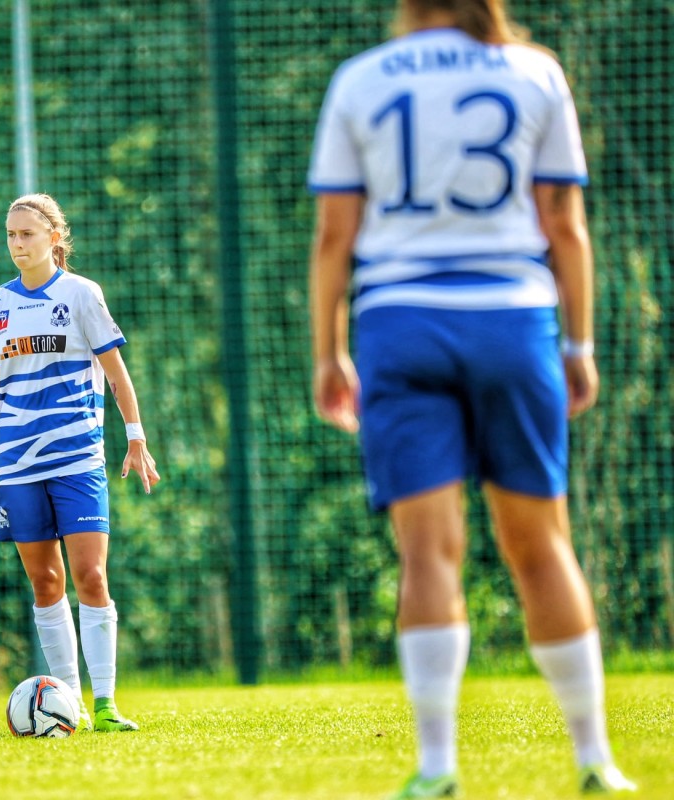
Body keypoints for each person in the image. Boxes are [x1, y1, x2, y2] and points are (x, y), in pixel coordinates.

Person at [307, 1, 637, 796]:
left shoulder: (361, 79)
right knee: (542, 544)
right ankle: (596, 762)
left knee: (428, 551)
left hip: (400, 323)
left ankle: (436, 769)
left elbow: (334, 236)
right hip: (512, 320)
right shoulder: (534, 71)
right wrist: (579, 346)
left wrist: (328, 352)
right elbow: (564, 223)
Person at [0, 192, 160, 733]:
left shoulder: (82, 294)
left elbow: (116, 373)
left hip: (78, 458)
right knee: (45, 582)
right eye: (11, 235)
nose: (18, 244)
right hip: (18, 464)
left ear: (54, 238)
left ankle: (105, 703)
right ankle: (68, 704)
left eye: (28, 234)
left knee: (91, 575)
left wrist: (135, 437)